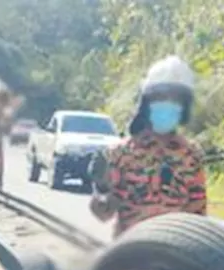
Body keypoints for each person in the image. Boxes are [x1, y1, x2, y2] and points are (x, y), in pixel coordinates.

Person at [89, 55, 207, 237]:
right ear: (146, 103)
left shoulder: (191, 156)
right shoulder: (121, 153)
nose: (168, 103)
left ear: (184, 106)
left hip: (176, 254)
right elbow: (104, 213)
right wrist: (100, 188)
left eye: (176, 99)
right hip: (133, 254)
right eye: (161, 97)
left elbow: (198, 215)